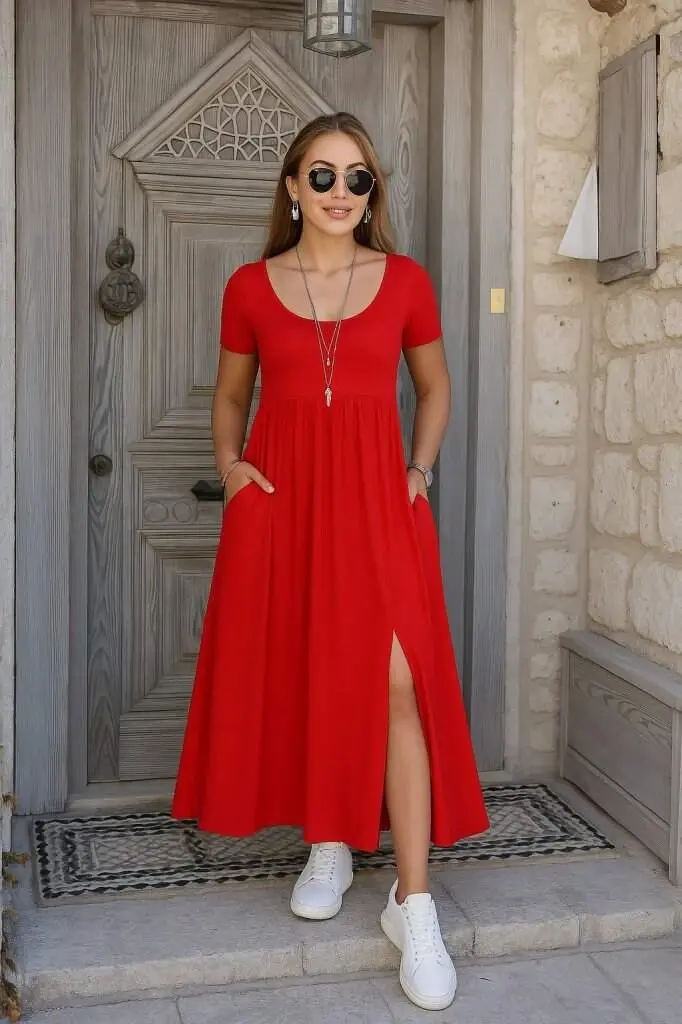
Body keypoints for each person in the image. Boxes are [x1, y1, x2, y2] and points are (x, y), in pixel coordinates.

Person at [172, 112, 489, 1012]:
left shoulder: (404, 280)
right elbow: (231, 396)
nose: (341, 192)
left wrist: (420, 470)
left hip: (379, 506)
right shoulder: (248, 286)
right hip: (283, 510)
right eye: (323, 176)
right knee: (309, 668)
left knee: (396, 685)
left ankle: (413, 905)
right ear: (292, 187)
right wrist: (232, 470)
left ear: (371, 192)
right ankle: (329, 842)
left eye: (358, 178)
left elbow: (434, 385)